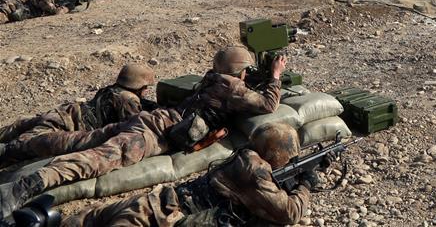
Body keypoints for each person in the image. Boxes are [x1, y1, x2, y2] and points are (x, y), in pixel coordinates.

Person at [0, 45, 286, 221]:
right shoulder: (233, 87)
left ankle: (10, 151)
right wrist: (275, 76)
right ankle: (22, 187)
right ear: (241, 72)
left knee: (76, 140)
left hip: (151, 119)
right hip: (154, 133)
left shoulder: (211, 79)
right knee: (96, 159)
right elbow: (268, 104)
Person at [57, 122, 313, 226]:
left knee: (84, 219)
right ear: (276, 155)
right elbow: (289, 213)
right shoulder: (256, 172)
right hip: (162, 220)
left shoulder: (243, 155)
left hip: (156, 200)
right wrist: (305, 185)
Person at [0, 64, 156, 165]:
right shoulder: (128, 99)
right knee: (19, 147)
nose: (146, 91)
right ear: (138, 85)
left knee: (13, 128)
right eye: (145, 87)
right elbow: (134, 126)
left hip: (62, 113)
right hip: (63, 125)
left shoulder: (111, 89)